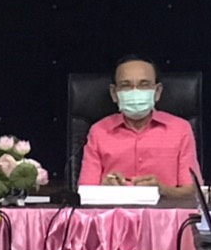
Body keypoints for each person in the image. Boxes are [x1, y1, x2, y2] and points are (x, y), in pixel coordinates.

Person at [77, 55, 200, 195]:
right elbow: (84, 192)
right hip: (113, 208)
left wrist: (163, 190)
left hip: (165, 209)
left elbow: (194, 193)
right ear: (114, 93)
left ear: (157, 92)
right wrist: (104, 189)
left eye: (144, 85)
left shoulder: (180, 129)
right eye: (126, 85)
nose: (135, 91)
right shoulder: (99, 131)